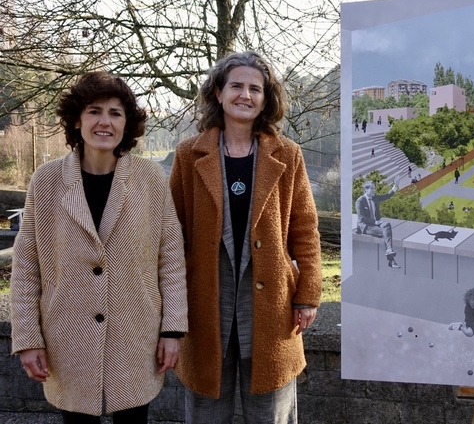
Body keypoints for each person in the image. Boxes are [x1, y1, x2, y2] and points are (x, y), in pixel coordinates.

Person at [11, 71, 188, 422]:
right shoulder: (46, 181)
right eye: (94, 111)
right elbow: (26, 266)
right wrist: (28, 337)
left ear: (127, 124)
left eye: (115, 113)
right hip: (67, 340)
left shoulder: (150, 179)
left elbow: (171, 259)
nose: (104, 122)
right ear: (77, 119)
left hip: (136, 338)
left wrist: (172, 330)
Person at [169, 51, 322, 423]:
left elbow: (305, 230)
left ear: (266, 98)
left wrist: (308, 294)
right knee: (206, 413)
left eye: (256, 88)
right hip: (206, 304)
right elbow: (171, 234)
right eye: (236, 85)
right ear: (218, 92)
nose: (245, 95)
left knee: (271, 415)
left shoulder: (288, 155)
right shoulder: (189, 154)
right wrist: (168, 307)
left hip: (271, 308)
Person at [355, 177, 403, 269]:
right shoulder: (360, 201)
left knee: (387, 225)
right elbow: (361, 218)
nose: (374, 190)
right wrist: (375, 222)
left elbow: (387, 195)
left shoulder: (375, 198)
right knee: (385, 233)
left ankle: (389, 250)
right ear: (366, 189)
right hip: (365, 226)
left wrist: (395, 185)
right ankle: (391, 261)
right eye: (372, 188)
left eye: (374, 188)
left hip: (376, 223)